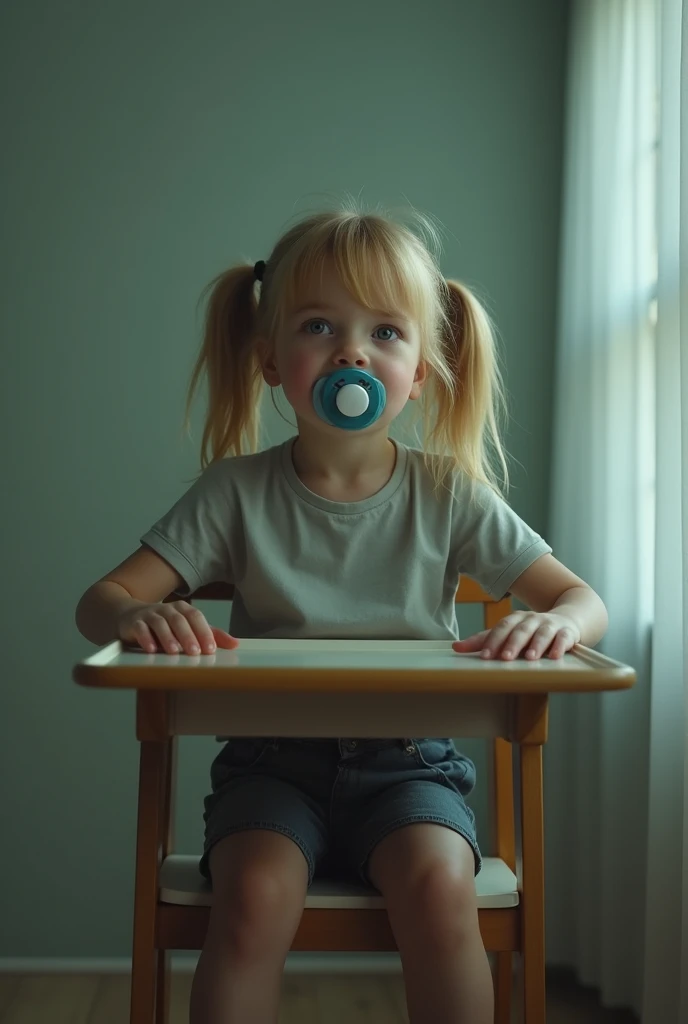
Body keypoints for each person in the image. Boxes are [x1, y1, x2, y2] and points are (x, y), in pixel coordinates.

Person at [75, 202, 608, 1024]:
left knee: (440, 889)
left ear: (421, 371)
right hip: (270, 769)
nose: (353, 352)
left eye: (386, 333)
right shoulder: (235, 494)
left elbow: (582, 600)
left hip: (411, 767)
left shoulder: (449, 495)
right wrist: (137, 619)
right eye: (320, 325)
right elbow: (101, 601)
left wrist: (560, 624)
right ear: (270, 361)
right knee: (251, 897)